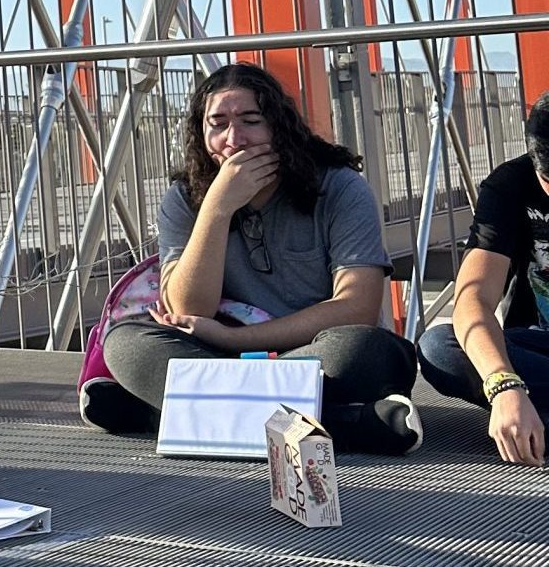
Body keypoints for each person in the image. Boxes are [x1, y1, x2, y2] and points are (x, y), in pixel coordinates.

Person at [85, 61, 422, 454]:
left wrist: (237, 339)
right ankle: (348, 425)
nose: (234, 139)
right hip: (218, 355)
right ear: (201, 132)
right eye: (218, 124)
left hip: (308, 353)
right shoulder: (185, 198)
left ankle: (159, 415)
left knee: (368, 352)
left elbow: (357, 308)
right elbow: (187, 307)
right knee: (125, 343)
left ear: (279, 127)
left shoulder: (340, 187)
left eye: (250, 120)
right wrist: (217, 208)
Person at [414, 92, 549, 464]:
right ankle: (525, 413)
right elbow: (473, 300)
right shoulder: (511, 185)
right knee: (440, 346)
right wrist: (504, 385)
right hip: (537, 351)